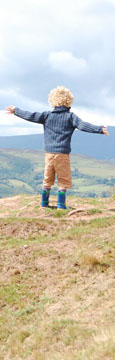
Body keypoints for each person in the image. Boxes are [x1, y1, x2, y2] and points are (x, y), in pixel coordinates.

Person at [6, 86, 109, 209]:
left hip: (49, 154)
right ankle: (61, 205)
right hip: (62, 154)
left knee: (47, 178)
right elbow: (83, 126)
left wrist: (16, 110)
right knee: (63, 180)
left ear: (52, 100)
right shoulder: (70, 117)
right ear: (69, 100)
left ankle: (44, 204)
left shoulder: (46, 115)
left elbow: (31, 115)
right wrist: (99, 129)